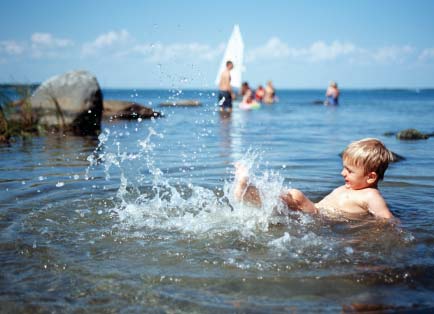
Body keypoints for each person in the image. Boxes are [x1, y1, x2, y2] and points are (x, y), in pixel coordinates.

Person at [234, 138, 394, 220]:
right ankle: (250, 191)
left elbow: (387, 221)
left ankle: (248, 191)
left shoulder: (371, 196)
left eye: (349, 171)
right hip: (315, 212)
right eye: (344, 168)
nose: (342, 173)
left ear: (371, 177)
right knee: (284, 200)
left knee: (295, 196)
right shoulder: (353, 187)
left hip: (320, 218)